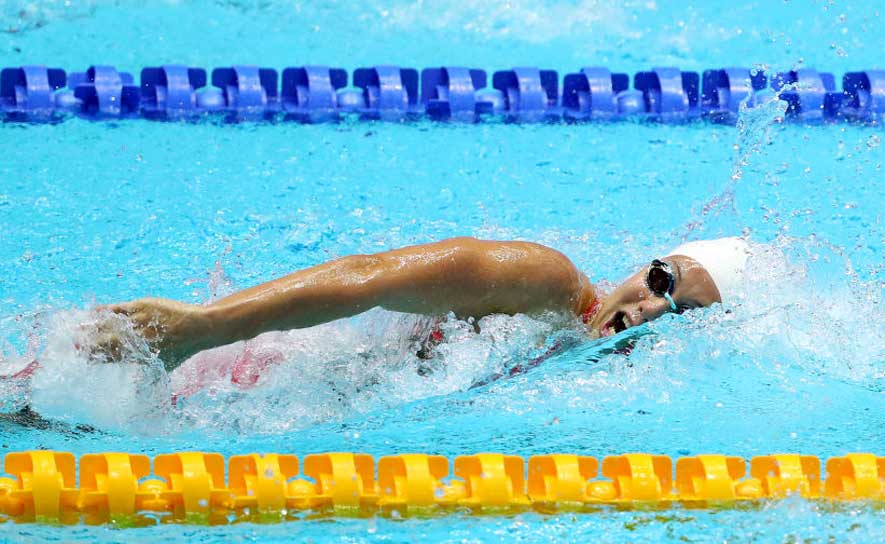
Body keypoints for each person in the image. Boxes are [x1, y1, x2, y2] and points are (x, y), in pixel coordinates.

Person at [96, 236, 751, 373]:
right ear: (643, 264)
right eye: (662, 283)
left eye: (684, 312)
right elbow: (370, 276)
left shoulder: (619, 379)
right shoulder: (544, 283)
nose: (650, 310)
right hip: (244, 368)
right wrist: (200, 329)